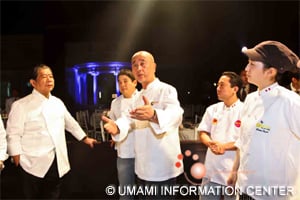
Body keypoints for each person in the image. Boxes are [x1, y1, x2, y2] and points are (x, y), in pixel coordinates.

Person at [6, 64, 98, 199]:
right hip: (31, 162)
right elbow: (13, 133)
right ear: (33, 83)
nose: (49, 79)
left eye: (51, 76)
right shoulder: (21, 105)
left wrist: (85, 138)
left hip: (56, 160)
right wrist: (16, 156)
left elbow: (70, 123)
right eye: (44, 76)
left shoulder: (57, 102)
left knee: (53, 195)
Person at [102, 51, 184, 199]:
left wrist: (154, 115)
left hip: (162, 165)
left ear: (154, 67)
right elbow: (127, 118)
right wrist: (117, 127)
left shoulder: (166, 89)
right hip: (143, 165)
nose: (139, 68)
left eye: (142, 64)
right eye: (135, 65)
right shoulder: (138, 97)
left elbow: (176, 114)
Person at [227, 41, 300, 200]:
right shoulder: (251, 99)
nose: (246, 69)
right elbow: (243, 140)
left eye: (252, 64)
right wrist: (234, 172)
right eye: (248, 63)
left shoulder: (291, 102)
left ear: (271, 71)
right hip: (246, 188)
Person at [198, 71, 243, 200]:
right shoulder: (212, 109)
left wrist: (224, 146)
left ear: (235, 89)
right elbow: (203, 132)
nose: (218, 88)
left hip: (233, 171)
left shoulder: (244, 110)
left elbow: (246, 139)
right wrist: (210, 143)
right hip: (211, 169)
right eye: (218, 85)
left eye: (222, 85)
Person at [109, 69, 138, 200]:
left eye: (125, 81)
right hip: (124, 152)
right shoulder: (115, 103)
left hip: (142, 152)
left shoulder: (142, 99)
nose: (122, 85)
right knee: (125, 191)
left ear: (135, 82)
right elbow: (113, 123)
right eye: (119, 82)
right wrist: (113, 136)